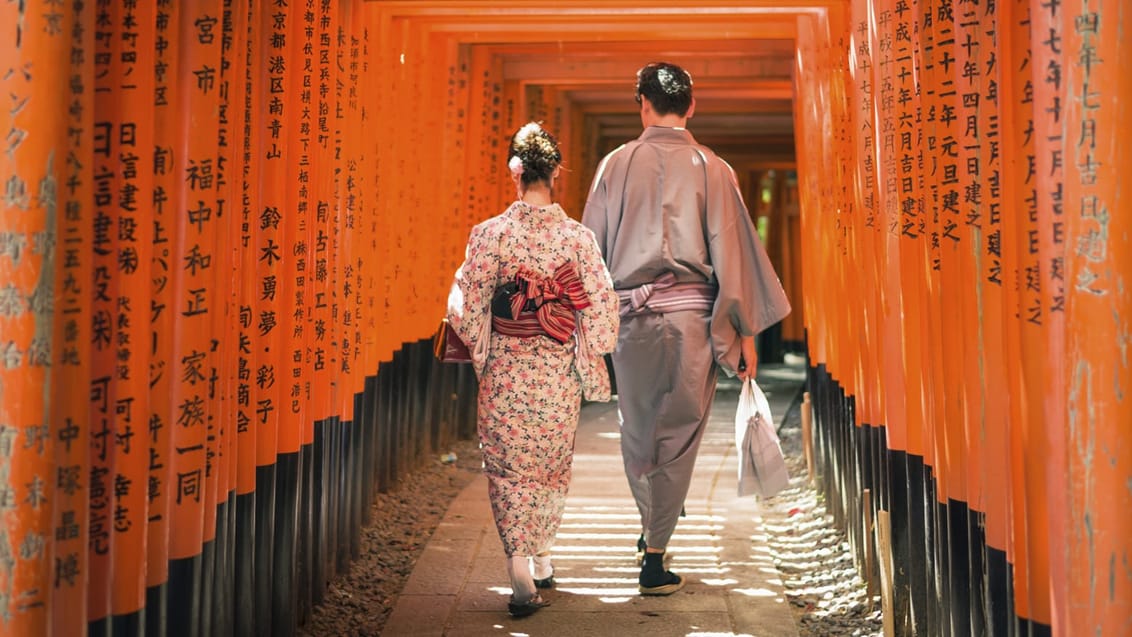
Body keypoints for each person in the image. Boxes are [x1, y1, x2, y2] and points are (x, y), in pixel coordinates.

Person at [581, 62, 791, 596]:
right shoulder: (711, 166)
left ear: (642, 104)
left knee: (636, 426)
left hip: (632, 320)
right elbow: (733, 253)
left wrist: (587, 327)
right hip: (692, 319)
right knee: (680, 433)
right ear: (691, 107)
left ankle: (650, 523)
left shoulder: (615, 164)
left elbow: (589, 251)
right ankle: (655, 552)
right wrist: (743, 335)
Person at [446, 122, 620, 617]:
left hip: (505, 368)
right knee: (548, 467)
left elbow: (466, 307)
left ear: (515, 173)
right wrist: (586, 342)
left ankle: (525, 568)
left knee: (506, 469)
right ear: (555, 174)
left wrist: (487, 344)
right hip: (556, 374)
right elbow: (604, 312)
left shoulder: (489, 235)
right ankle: (538, 558)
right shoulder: (579, 240)